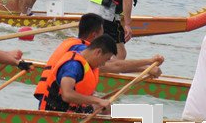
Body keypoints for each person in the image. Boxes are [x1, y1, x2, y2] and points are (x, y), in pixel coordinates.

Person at [34, 13, 163, 101]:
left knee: (106, 106)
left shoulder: (80, 47)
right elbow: (115, 65)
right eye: (102, 34)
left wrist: (147, 69)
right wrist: (148, 63)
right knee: (103, 106)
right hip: (53, 100)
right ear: (95, 35)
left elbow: (113, 65)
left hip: (58, 97)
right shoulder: (80, 51)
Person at [39, 34, 117, 113]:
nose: (103, 64)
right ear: (98, 52)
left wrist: (97, 100)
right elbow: (66, 95)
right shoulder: (72, 66)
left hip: (73, 111)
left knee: (111, 110)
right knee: (108, 111)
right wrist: (97, 101)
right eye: (105, 59)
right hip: (54, 114)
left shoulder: (86, 64)